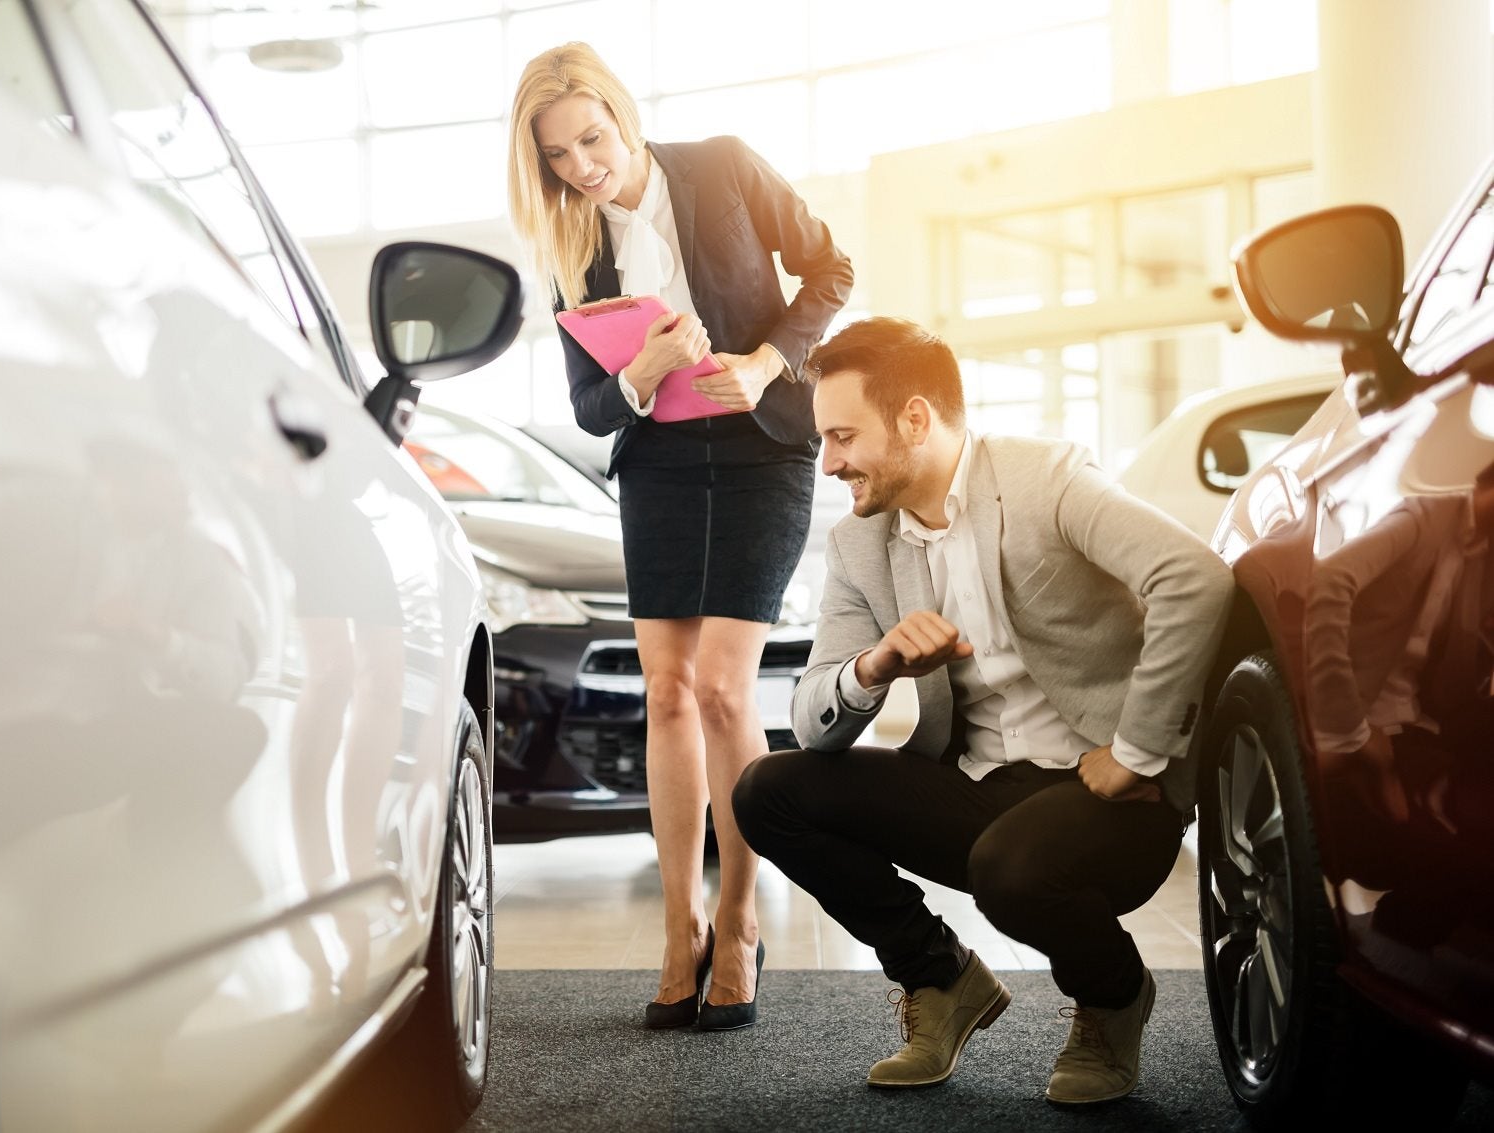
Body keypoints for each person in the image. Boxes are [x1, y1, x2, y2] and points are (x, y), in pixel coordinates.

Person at [731, 317, 1234, 1102]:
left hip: (1108, 795)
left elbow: (1194, 578)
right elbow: (809, 719)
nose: (828, 462)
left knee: (1013, 867)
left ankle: (1112, 997)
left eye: (841, 436)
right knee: (768, 790)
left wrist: (1137, 751)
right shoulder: (862, 542)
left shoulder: (1048, 478)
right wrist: (877, 664)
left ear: (915, 419)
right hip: (975, 788)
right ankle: (941, 981)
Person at [506, 42, 853, 1031]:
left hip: (759, 452)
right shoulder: (571, 248)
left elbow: (832, 265)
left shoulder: (723, 167)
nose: (580, 165)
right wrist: (643, 369)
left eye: (590, 137)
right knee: (664, 691)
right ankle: (679, 926)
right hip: (657, 467)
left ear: (621, 114)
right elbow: (591, 409)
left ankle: (739, 923)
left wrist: (766, 360)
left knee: (718, 686)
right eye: (557, 156)